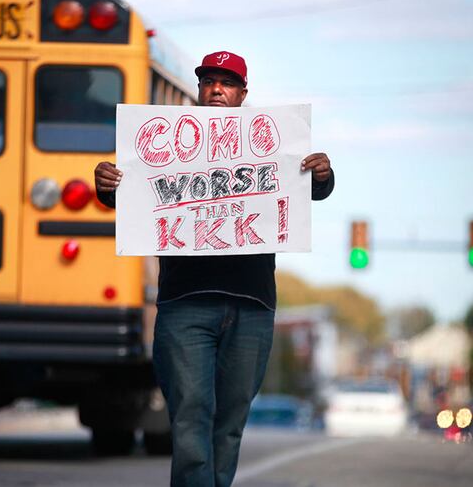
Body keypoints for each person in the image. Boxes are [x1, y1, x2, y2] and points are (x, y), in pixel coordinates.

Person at [94, 51, 334, 487]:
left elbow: (311, 192)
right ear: (199, 90)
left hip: (252, 307)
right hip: (185, 305)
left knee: (230, 420)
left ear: (243, 93)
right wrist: (106, 184)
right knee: (189, 415)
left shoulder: (275, 143)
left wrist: (320, 175)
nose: (217, 89)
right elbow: (130, 195)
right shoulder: (167, 145)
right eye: (209, 81)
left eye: (227, 82)